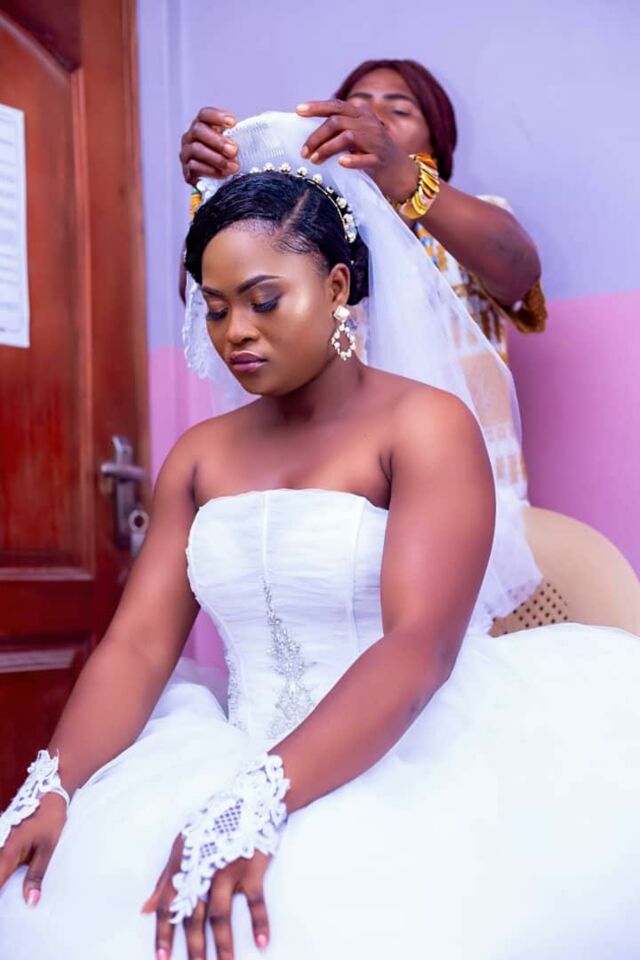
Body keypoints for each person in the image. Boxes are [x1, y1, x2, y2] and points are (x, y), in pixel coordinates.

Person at [0, 113, 638, 960]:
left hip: (406, 748)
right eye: (215, 308)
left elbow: (417, 647)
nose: (236, 330)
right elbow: (139, 643)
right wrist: (54, 783)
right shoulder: (199, 455)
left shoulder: (425, 425)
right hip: (228, 744)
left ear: (337, 287)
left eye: (264, 300)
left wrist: (261, 798)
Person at [179, 59, 547, 498]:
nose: (376, 118)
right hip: (337, 500)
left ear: (437, 141)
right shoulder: (303, 235)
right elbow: (204, 299)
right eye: (358, 106)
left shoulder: (467, 224)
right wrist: (214, 194)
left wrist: (402, 175)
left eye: (399, 110)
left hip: (471, 496)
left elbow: (520, 273)